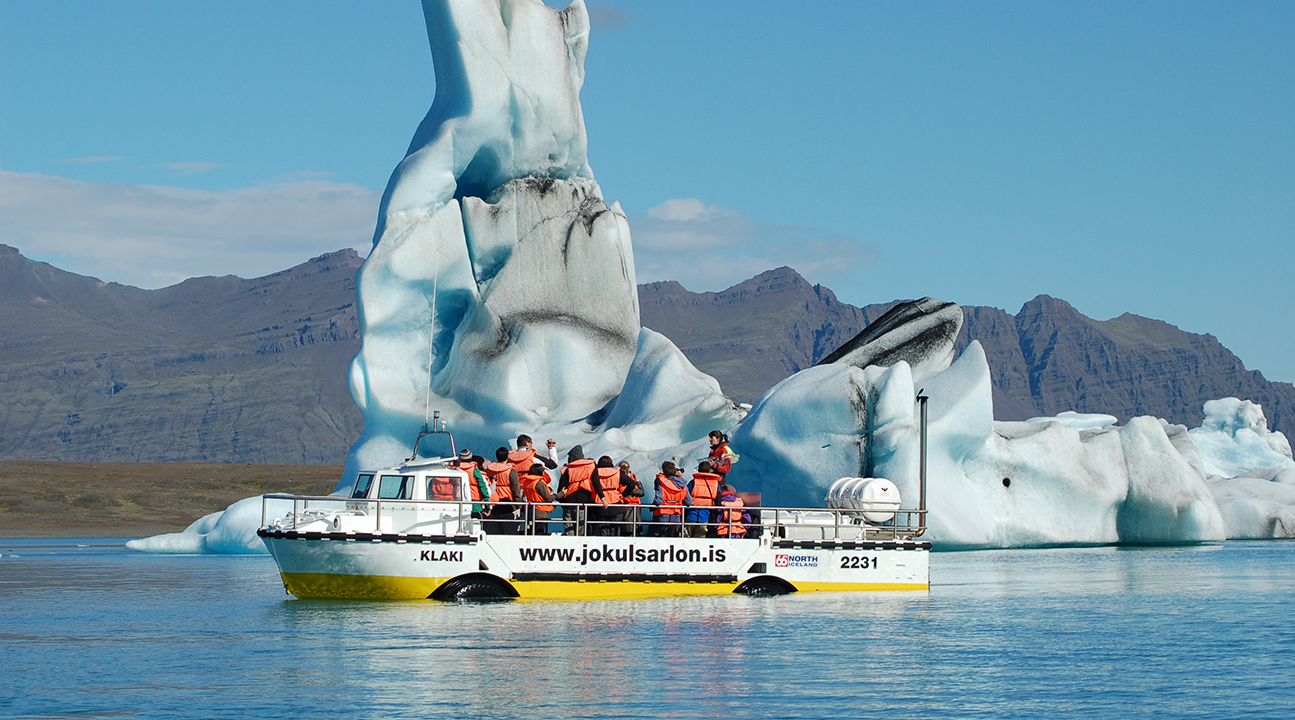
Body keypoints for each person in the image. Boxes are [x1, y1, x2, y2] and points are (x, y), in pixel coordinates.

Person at [558, 445, 597, 535]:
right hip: (583, 502)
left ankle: (571, 544)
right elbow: (596, 484)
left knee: (568, 526)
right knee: (581, 528)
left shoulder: (568, 469)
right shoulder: (589, 468)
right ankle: (581, 544)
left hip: (568, 502)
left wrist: (561, 500)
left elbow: (561, 487)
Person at [483, 447, 523, 534]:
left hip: (492, 500)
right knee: (507, 528)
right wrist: (518, 504)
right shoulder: (511, 471)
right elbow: (515, 488)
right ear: (507, 457)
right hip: (507, 501)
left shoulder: (489, 469)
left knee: (493, 528)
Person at [651, 461, 691, 537]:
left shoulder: (660, 481)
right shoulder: (683, 484)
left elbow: (659, 499)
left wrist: (652, 507)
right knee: (668, 538)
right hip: (676, 517)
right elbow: (689, 501)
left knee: (654, 536)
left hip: (662, 514)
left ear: (663, 470)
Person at [687, 460, 722, 538]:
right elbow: (718, 499)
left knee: (685, 537)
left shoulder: (693, 482)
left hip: (691, 514)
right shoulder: (715, 483)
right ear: (710, 470)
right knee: (700, 538)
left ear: (699, 470)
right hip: (705, 516)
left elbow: (686, 496)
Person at [591, 456, 625, 536]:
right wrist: (623, 494)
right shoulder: (617, 472)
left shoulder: (595, 473)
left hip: (601, 505)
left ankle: (604, 548)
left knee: (603, 533)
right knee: (615, 533)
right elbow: (632, 483)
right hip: (616, 505)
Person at [453, 449, 491, 518]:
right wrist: (487, 505)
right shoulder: (475, 470)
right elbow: (482, 487)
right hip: (475, 504)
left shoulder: (454, 469)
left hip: (458, 502)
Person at [521, 463, 556, 534]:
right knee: (540, 531)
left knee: (532, 530)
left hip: (531, 509)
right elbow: (548, 498)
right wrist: (559, 495)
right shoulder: (539, 483)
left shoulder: (527, 482)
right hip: (541, 510)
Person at [618, 461, 645, 536]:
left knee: (635, 531)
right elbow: (640, 492)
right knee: (627, 531)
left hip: (635, 509)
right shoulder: (623, 481)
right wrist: (635, 483)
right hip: (627, 509)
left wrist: (637, 482)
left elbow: (642, 493)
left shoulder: (632, 481)